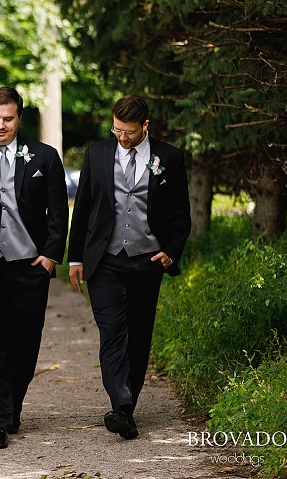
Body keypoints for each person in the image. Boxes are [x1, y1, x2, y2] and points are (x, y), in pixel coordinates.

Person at [67, 94, 191, 439]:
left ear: (145, 127)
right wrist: (75, 257)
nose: (122, 137)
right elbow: (85, 207)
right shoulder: (97, 153)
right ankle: (121, 405)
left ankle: (126, 408)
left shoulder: (169, 157)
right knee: (112, 331)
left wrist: (171, 251)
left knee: (138, 336)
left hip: (147, 260)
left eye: (130, 132)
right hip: (105, 260)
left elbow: (181, 214)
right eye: (117, 130)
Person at [0, 87, 68, 448]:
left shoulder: (44, 156)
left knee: (25, 344)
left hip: (28, 265)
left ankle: (11, 404)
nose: (1, 125)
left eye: (8, 118)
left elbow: (58, 210)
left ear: (19, 118)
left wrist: (51, 256)